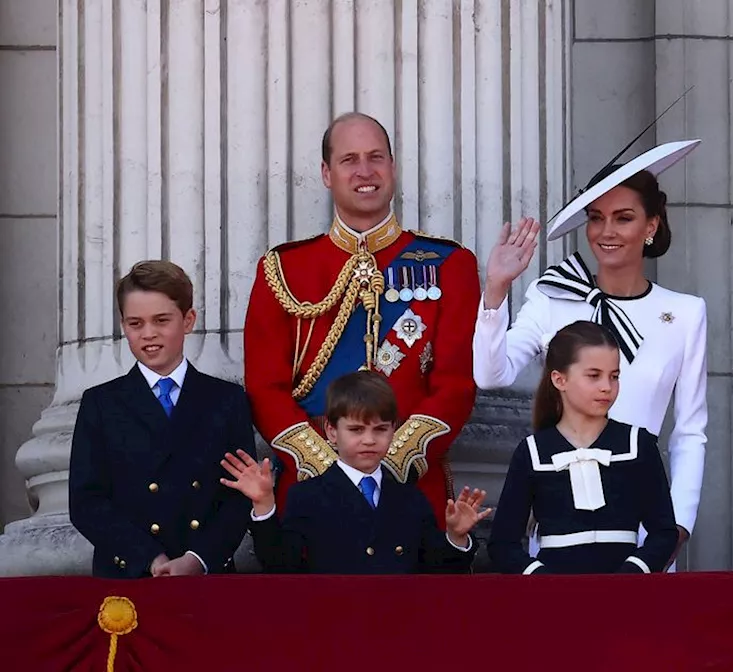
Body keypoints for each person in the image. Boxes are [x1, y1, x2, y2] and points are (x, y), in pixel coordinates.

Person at [473, 140, 706, 569]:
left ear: (651, 225)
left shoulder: (687, 313)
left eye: (624, 218)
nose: (606, 232)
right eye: (596, 218)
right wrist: (496, 290)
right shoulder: (552, 296)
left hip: (646, 532)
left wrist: (677, 528)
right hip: (563, 534)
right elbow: (492, 374)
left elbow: (689, 431)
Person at [243, 112, 481, 528]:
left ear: (392, 167)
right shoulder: (283, 269)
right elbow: (265, 389)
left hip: (410, 489)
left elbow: (456, 384)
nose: (365, 171)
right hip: (310, 490)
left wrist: (391, 462)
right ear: (326, 173)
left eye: (376, 157)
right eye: (349, 159)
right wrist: (327, 469)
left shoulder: (450, 265)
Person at [69, 260, 255, 578]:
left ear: (188, 320)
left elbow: (240, 496)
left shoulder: (227, 400)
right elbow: (86, 502)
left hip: (207, 578)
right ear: (123, 325)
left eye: (161, 320)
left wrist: (198, 559)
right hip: (129, 576)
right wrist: (149, 558)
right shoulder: (100, 403)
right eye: (135, 323)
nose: (149, 334)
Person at [220, 371, 489, 574]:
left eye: (380, 429)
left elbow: (438, 570)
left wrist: (456, 537)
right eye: (357, 430)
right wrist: (264, 506)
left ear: (393, 430)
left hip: (398, 628)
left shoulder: (410, 498)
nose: (369, 440)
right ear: (332, 432)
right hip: (332, 630)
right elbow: (280, 564)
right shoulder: (308, 496)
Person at [488, 321, 678, 574]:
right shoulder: (533, 452)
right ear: (559, 379)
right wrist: (542, 579)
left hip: (626, 598)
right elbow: (503, 544)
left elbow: (664, 532)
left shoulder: (637, 444)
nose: (606, 387)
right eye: (593, 375)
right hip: (556, 600)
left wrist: (633, 572)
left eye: (614, 376)